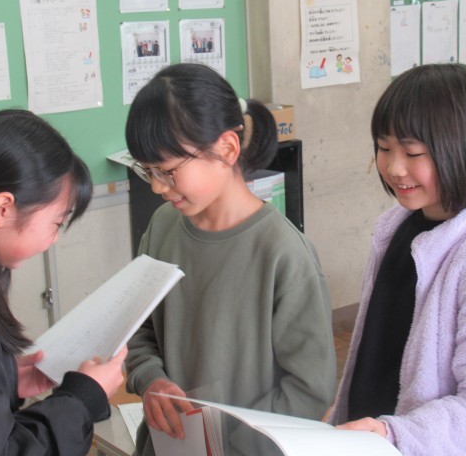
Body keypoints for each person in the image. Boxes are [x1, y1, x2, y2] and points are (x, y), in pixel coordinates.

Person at [124, 63, 336, 455]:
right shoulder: (163, 227)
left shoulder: (283, 253)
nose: (156, 186)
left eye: (167, 170)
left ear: (226, 148)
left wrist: (231, 444)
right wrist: (150, 378)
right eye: (147, 170)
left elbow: (308, 390)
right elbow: (136, 328)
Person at [328, 64, 466, 455]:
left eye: (412, 152)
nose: (394, 168)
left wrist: (395, 435)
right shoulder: (394, 228)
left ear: (462, 148)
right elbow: (376, 355)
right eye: (384, 148)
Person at [0, 109, 127, 455]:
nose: (54, 239)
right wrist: (82, 399)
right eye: (56, 223)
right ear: (2, 209)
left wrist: (3, 377)